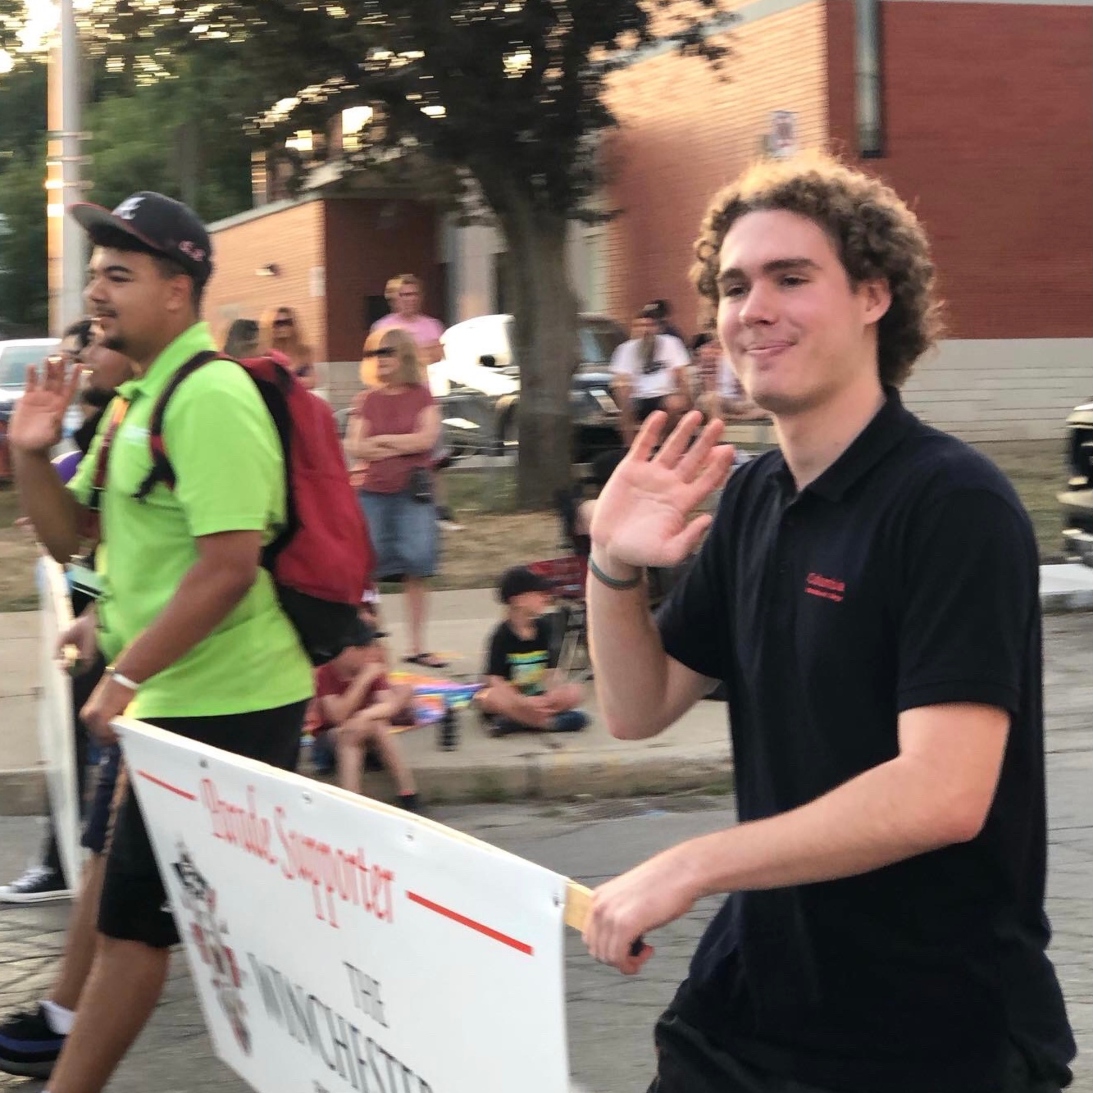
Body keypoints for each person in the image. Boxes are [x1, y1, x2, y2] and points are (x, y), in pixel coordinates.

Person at [581, 153, 1075, 1093]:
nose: (752, 309)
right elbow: (638, 707)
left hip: (930, 1034)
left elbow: (942, 791)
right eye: (734, 286)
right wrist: (611, 562)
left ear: (872, 296)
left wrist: (696, 862)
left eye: (790, 278)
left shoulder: (951, 502)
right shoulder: (753, 498)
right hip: (752, 1004)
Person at [7, 190, 314, 1093]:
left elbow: (228, 566)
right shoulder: (136, 399)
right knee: (130, 908)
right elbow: (74, 541)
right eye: (96, 273)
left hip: (228, 699)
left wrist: (126, 671)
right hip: (172, 698)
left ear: (178, 289)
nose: (96, 291)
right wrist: (30, 454)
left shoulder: (210, 395)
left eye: (119, 274)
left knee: (136, 928)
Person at [0, 321, 132, 907]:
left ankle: (69, 863)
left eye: (89, 349)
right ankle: (68, 863)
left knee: (89, 739)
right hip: (98, 602)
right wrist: (31, 455)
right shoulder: (99, 423)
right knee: (77, 736)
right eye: (75, 352)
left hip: (129, 619)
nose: (80, 363)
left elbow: (97, 530)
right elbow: (70, 536)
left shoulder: (135, 417)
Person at [347, 328, 446, 669]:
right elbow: (356, 446)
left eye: (386, 352)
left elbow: (426, 440)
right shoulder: (367, 400)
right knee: (367, 567)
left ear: (403, 355)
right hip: (372, 493)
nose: (380, 359)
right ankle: (372, 643)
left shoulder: (422, 396)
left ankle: (417, 646)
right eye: (374, 353)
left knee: (417, 565)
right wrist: (401, 443)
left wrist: (382, 442)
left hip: (412, 494)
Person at [313, 617, 421, 810]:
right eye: (365, 648)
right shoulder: (326, 673)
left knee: (378, 725)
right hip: (331, 739)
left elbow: (389, 705)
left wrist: (364, 716)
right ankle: (351, 801)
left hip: (368, 732)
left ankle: (408, 792)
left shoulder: (371, 670)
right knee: (352, 734)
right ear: (348, 651)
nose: (371, 653)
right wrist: (362, 681)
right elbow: (337, 716)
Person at [474, 566, 588, 737]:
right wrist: (522, 702)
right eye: (538, 594)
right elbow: (495, 680)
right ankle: (548, 723)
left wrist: (551, 694)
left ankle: (517, 723)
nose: (545, 598)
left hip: (537, 694)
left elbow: (551, 671)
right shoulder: (501, 635)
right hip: (512, 698)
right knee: (489, 697)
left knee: (576, 692)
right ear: (518, 601)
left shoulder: (544, 628)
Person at [610, 304, 691, 445]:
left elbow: (681, 375)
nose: (645, 330)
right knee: (622, 394)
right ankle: (630, 446)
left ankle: (661, 439)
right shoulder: (624, 350)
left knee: (675, 403)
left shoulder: (672, 344)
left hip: (665, 396)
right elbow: (621, 379)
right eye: (640, 326)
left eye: (649, 325)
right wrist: (624, 387)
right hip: (638, 398)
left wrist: (686, 398)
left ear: (657, 328)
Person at [690, 331, 768, 424]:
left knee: (758, 407)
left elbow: (744, 386)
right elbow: (709, 386)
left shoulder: (742, 358)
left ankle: (733, 418)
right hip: (721, 400)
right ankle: (720, 425)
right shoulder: (714, 358)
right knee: (711, 399)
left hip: (738, 402)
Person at [259, 305, 316, 389]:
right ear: (269, 326)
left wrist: (287, 382)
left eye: (287, 322)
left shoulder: (304, 351)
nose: (283, 327)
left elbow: (312, 382)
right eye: (278, 323)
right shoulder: (265, 353)